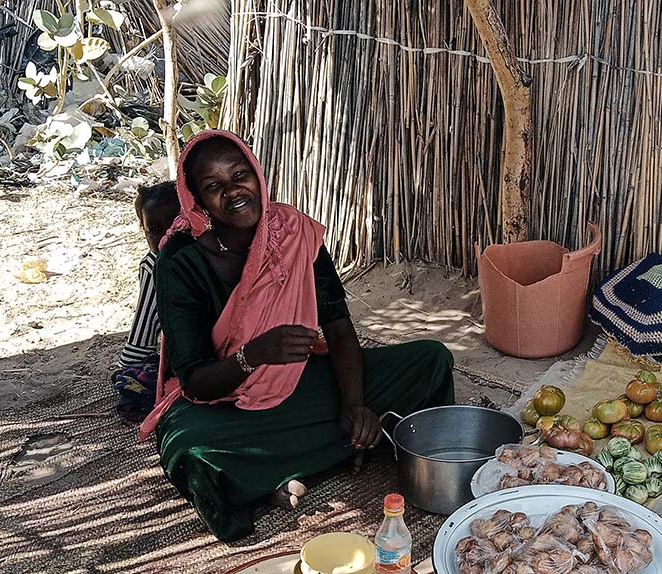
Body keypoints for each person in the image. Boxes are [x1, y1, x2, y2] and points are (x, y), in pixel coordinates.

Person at [139, 130, 455, 541]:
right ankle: (336, 452)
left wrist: (354, 404)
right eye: (214, 187)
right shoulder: (179, 261)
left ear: (257, 172)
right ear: (197, 199)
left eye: (240, 175)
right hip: (226, 401)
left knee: (430, 359)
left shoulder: (294, 233)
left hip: (297, 382)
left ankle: (327, 445)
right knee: (190, 445)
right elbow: (196, 381)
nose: (234, 192)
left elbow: (338, 326)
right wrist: (254, 354)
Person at [114, 182, 180, 422]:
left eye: (175, 223)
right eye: (155, 229)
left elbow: (143, 332)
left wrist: (128, 367)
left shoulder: (155, 264)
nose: (167, 235)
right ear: (143, 230)